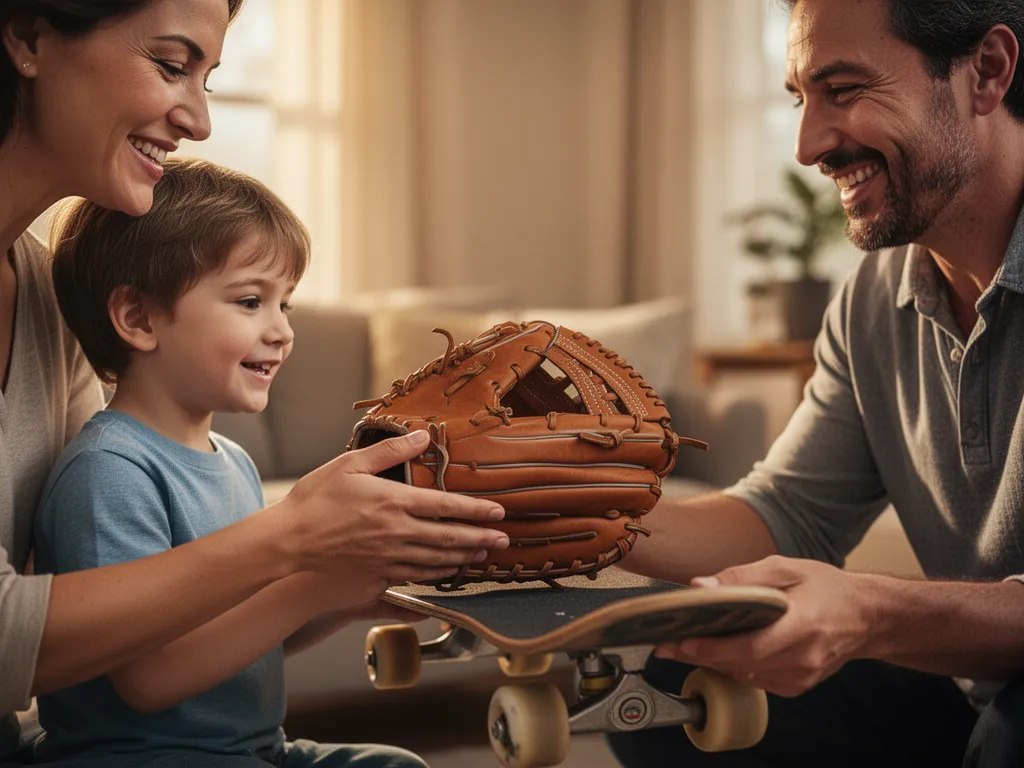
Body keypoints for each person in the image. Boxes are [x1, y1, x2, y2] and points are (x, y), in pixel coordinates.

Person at [0, 1, 507, 762]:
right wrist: (298, 533)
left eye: (208, 76)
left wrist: (347, 578)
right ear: (30, 36)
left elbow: (168, 607)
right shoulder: (110, 464)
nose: (200, 119)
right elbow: (132, 670)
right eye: (172, 65)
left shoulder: (45, 299)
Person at [608, 1, 1024, 766]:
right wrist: (577, 517)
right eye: (802, 98)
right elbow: (789, 510)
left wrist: (871, 610)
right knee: (674, 692)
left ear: (987, 72)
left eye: (845, 89)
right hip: (977, 688)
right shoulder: (872, 300)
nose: (808, 146)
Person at [27, 157, 432, 767]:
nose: (281, 332)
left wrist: (341, 599)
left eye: (285, 305)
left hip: (253, 749)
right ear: (138, 318)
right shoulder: (110, 469)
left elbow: (246, 633)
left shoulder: (234, 462)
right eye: (250, 301)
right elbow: (149, 680)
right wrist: (312, 585)